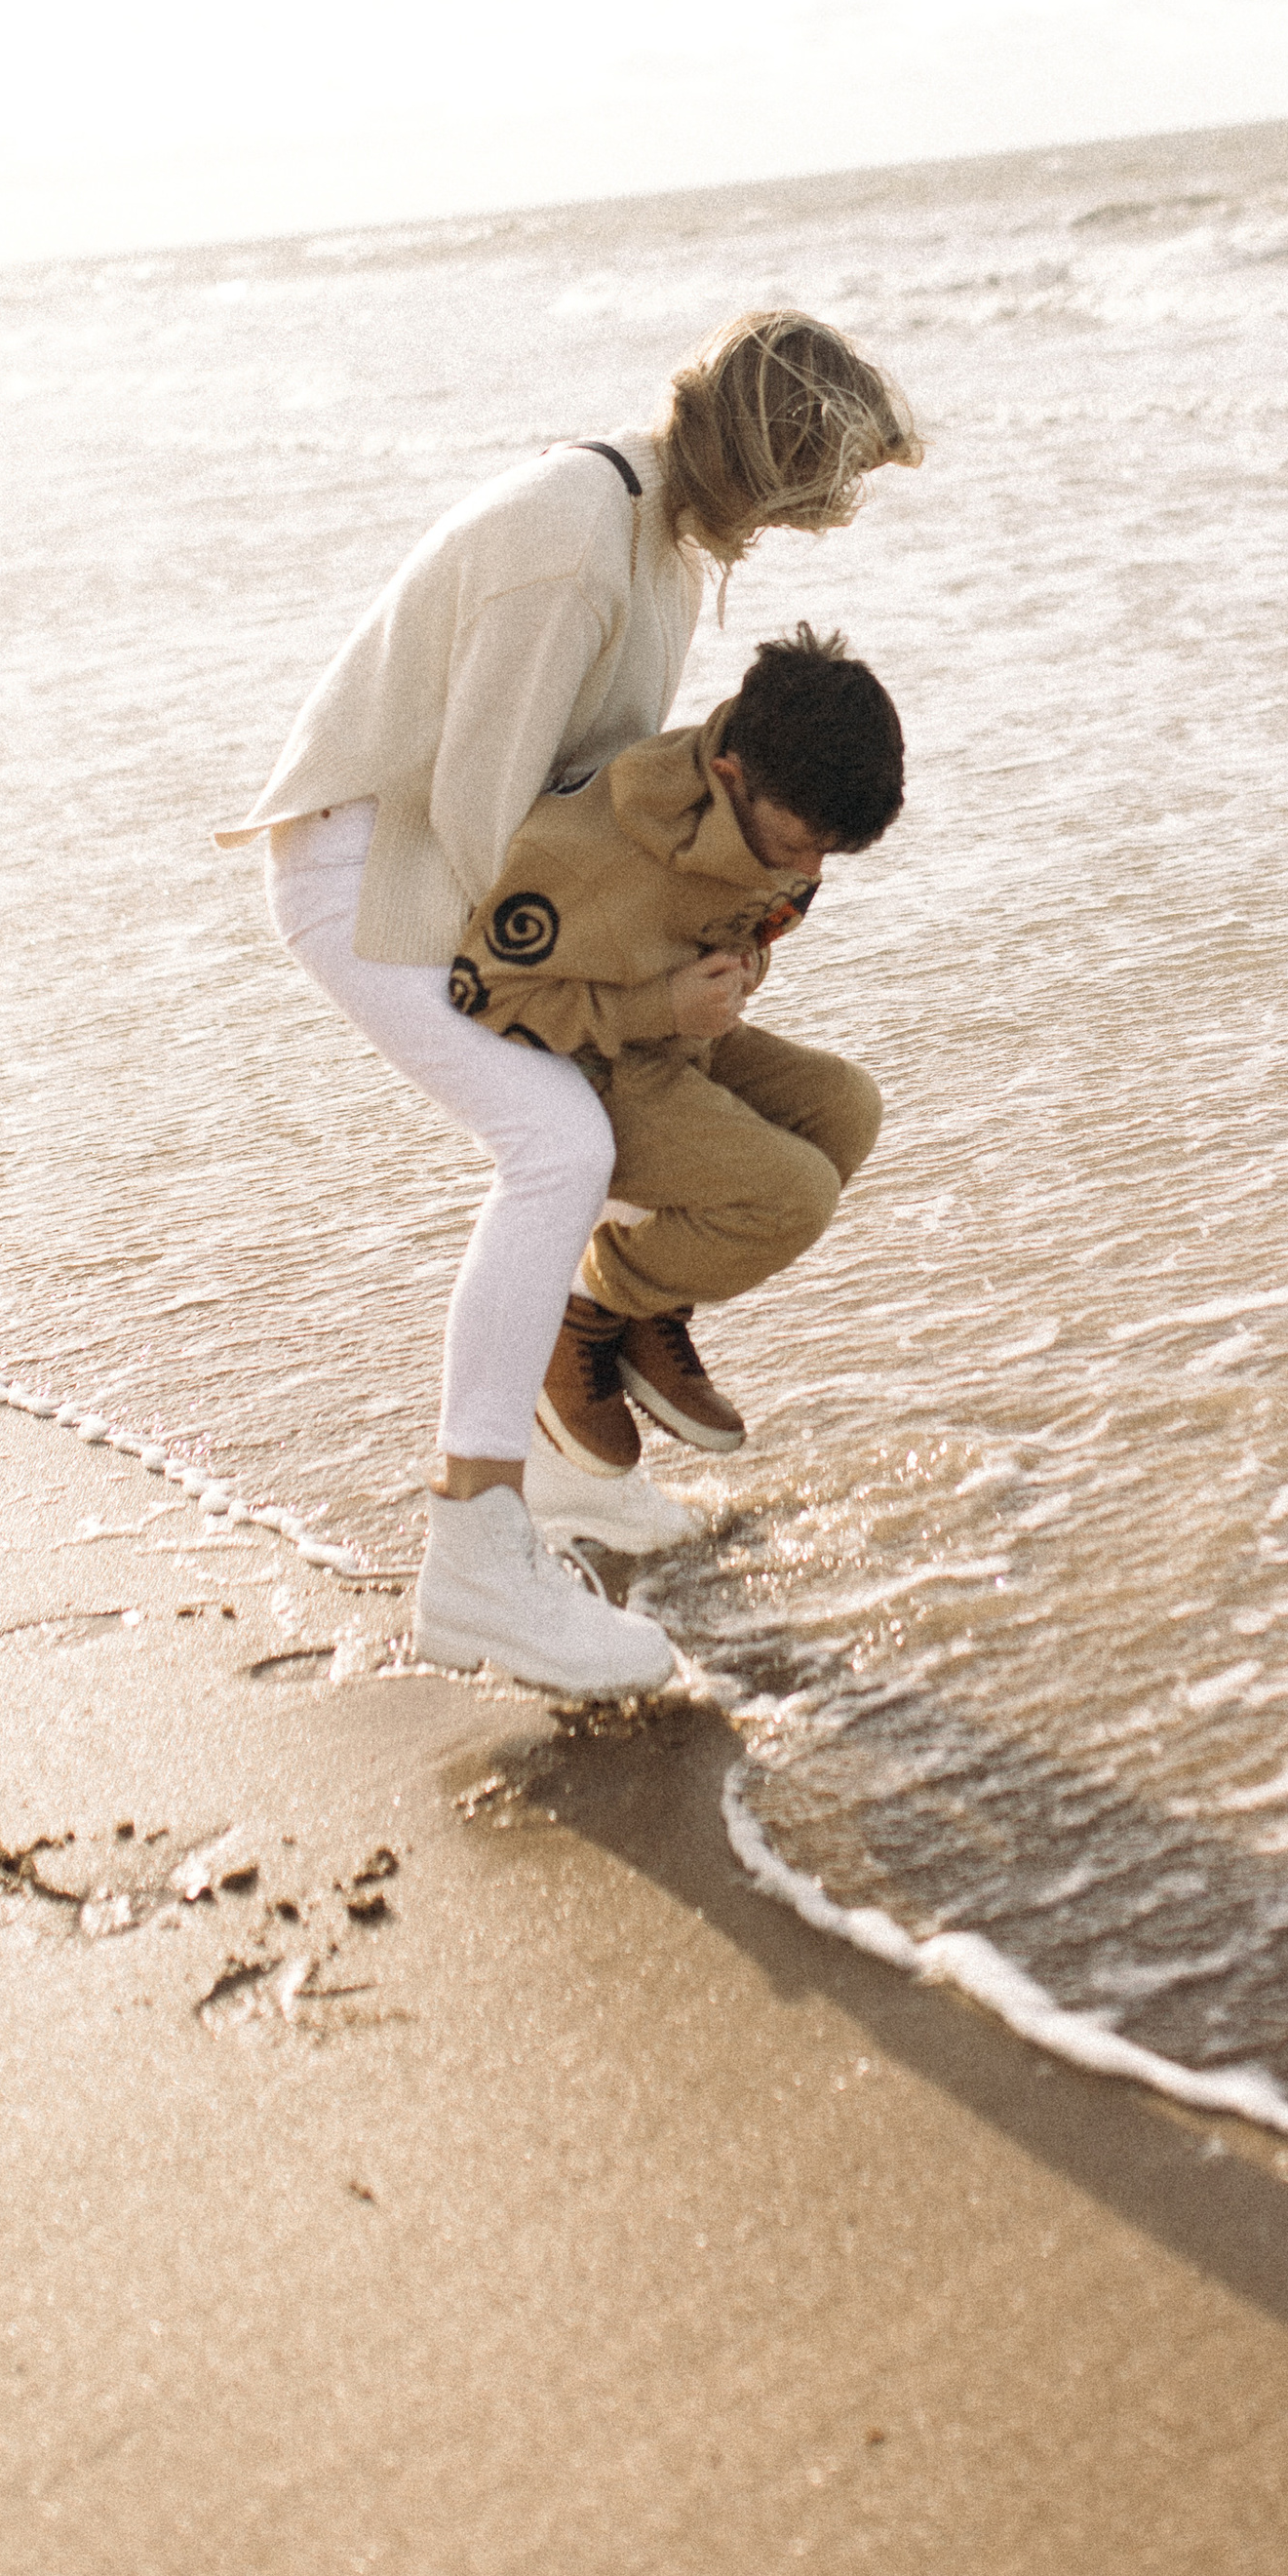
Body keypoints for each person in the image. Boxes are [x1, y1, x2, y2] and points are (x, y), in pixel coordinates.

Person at [216, 312, 920, 1700]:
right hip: (382, 878)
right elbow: (488, 821)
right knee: (559, 1147)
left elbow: (586, 807)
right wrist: (643, 1003)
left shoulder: (652, 536)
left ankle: (567, 1476)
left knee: (744, 1121)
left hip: (468, 874)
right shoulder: (577, 542)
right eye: (811, 497)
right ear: (769, 469)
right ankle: (476, 1553)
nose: (804, 527)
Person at [443, 625, 901, 1575]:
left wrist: (740, 970)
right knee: (789, 1196)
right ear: (730, 775)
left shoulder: (772, 800)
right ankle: (583, 1309)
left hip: (681, 1040)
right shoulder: (592, 857)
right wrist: (661, 1005)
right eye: (800, 845)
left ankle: (649, 1311)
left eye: (831, 854)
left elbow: (753, 915)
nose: (812, 871)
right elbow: (479, 996)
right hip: (591, 1058)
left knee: (846, 1109)